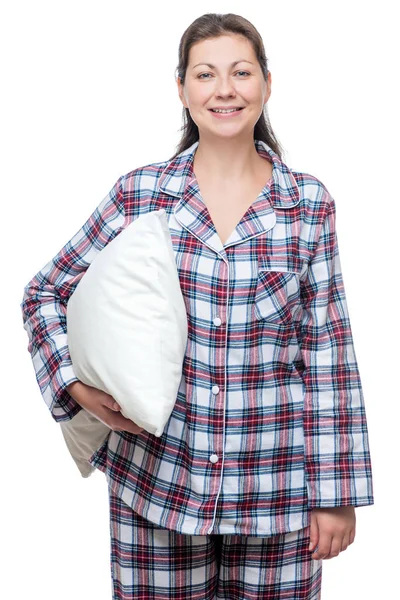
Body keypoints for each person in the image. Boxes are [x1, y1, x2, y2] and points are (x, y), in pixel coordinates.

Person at [20, 12, 374, 600]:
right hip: (155, 485)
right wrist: (76, 389)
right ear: (182, 90)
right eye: (205, 75)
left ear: (266, 83)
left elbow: (328, 354)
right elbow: (46, 293)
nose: (224, 89)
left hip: (277, 498)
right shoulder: (141, 194)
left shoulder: (308, 204)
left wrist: (336, 496)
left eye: (241, 72)